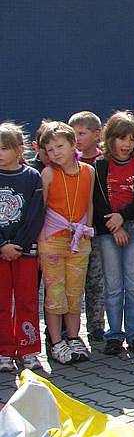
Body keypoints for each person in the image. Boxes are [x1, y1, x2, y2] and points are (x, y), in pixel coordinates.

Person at [93, 112, 134, 356]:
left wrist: (124, 219)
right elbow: (97, 200)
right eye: (121, 139)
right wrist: (114, 225)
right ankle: (114, 334)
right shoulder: (100, 165)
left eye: (131, 139)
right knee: (113, 285)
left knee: (133, 284)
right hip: (108, 230)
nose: (126, 144)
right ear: (110, 139)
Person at [38, 121, 95, 365]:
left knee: (74, 292)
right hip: (52, 241)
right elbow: (40, 208)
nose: (56, 153)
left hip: (78, 241)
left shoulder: (88, 171)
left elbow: (89, 202)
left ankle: (73, 337)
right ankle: (56, 342)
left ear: (74, 145)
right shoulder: (48, 173)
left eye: (60, 146)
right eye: (50, 150)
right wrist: (41, 238)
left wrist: (86, 230)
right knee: (55, 292)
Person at [0, 123, 45, 371]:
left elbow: (35, 214)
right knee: (2, 302)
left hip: (25, 252)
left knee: (27, 300)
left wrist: (19, 243)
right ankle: (4, 351)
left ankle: (28, 348)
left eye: (5, 148)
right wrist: (2, 245)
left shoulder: (31, 177)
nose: (0, 153)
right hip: (1, 253)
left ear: (19, 150)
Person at [68, 111, 105, 343]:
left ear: (97, 134)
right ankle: (68, 330)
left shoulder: (102, 161)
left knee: (96, 281)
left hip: (98, 232)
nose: (77, 138)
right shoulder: (67, 162)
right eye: (73, 134)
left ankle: (96, 326)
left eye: (82, 133)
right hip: (71, 233)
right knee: (72, 282)